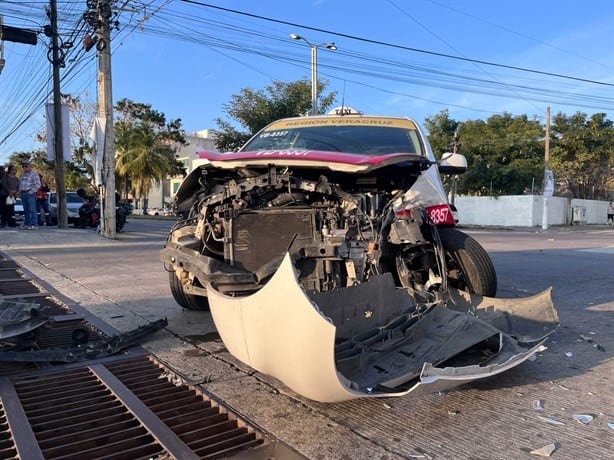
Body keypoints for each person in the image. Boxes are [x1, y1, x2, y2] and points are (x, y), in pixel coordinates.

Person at [18, 161, 41, 230]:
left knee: (32, 210)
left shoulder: (34, 174)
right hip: (23, 194)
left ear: (30, 166)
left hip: (30, 194)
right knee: (26, 210)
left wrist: (31, 192)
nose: (24, 168)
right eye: (23, 166)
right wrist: (20, 191)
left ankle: (34, 225)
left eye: (26, 166)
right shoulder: (22, 174)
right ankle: (27, 224)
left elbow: (38, 185)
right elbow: (20, 184)